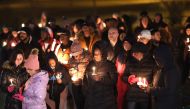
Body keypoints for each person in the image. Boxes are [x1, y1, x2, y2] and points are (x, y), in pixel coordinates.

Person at [83, 40, 118, 109]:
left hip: (106, 99)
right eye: (94, 54)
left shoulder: (110, 65)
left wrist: (101, 79)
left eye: (98, 54)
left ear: (103, 54)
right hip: (92, 98)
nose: (96, 56)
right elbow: (85, 81)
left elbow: (114, 81)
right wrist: (85, 91)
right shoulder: (90, 65)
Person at [122, 42, 156, 109]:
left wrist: (148, 83)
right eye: (133, 53)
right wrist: (129, 78)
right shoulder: (130, 61)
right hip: (132, 95)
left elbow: (154, 79)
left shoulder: (151, 63)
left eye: (136, 53)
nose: (133, 55)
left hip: (144, 95)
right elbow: (124, 76)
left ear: (142, 53)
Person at [68, 40, 91, 109]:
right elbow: (70, 71)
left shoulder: (88, 58)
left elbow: (91, 69)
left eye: (76, 54)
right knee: (78, 103)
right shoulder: (71, 60)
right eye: (73, 55)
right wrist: (72, 72)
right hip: (76, 84)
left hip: (86, 84)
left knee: (87, 102)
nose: (75, 57)